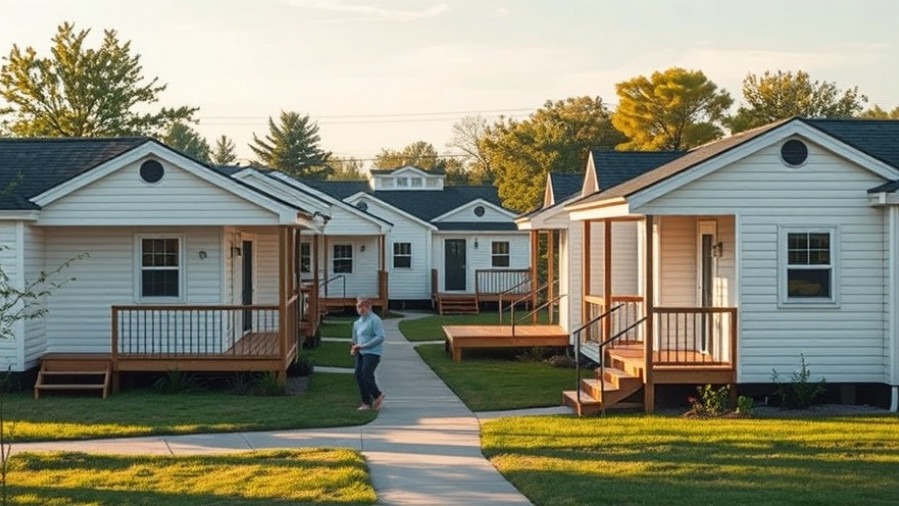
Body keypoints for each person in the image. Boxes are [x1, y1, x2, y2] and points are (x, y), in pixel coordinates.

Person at [351, 297, 385, 411]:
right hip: (360, 352)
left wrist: (365, 346)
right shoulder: (357, 323)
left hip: (373, 352)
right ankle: (366, 403)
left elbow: (380, 337)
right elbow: (355, 339)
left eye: (364, 306)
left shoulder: (375, 320)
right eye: (359, 306)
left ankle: (377, 395)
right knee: (359, 375)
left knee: (366, 372)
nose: (361, 309)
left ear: (369, 307)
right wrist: (354, 348)